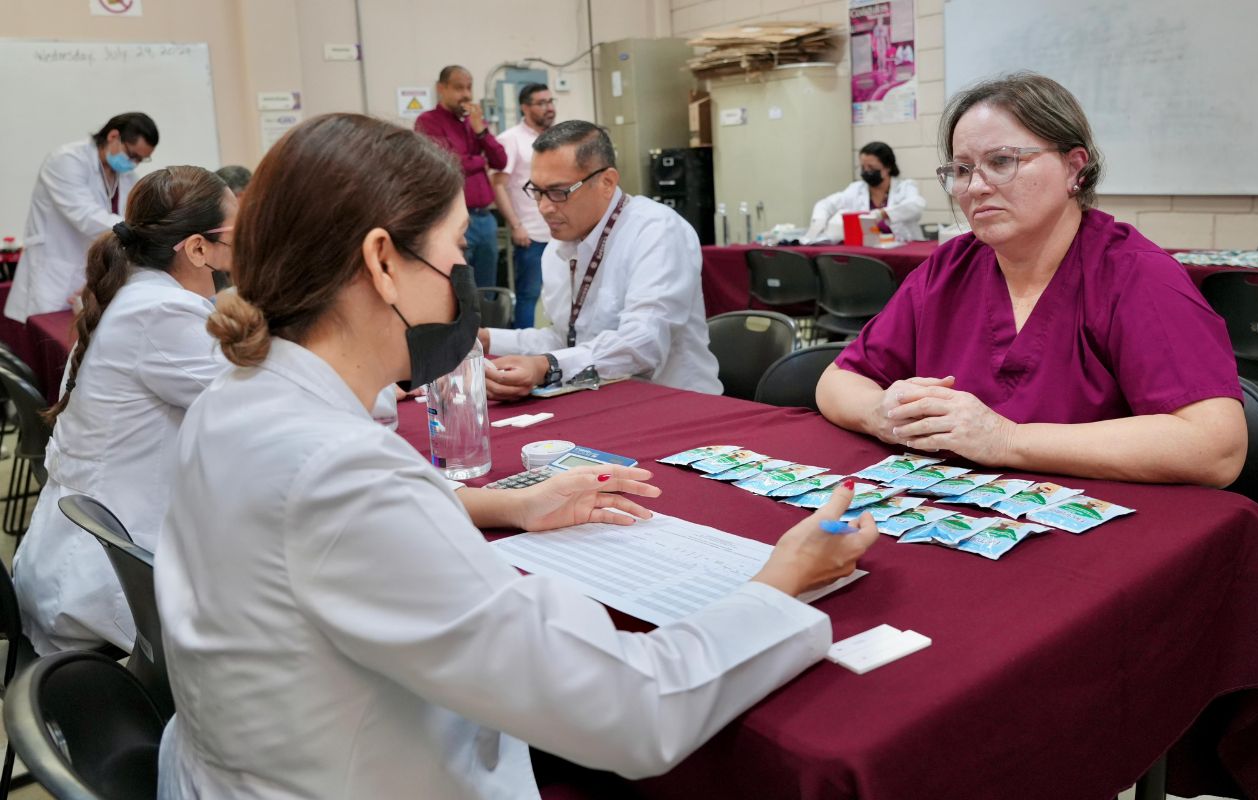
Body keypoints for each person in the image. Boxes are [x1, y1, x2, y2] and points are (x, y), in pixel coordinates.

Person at [153, 112, 876, 799]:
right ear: (381, 262)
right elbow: (635, 710)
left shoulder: (238, 399)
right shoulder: (341, 469)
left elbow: (321, 528)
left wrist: (511, 503)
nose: (463, 276)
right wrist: (778, 583)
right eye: (456, 251)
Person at [816, 73, 1246, 488]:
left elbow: (1215, 447)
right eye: (962, 170)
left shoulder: (1136, 276)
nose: (977, 187)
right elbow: (836, 380)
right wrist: (879, 412)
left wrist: (1006, 439)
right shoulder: (946, 270)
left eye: (1002, 161)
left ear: (1074, 168)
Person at [13, 166, 234, 655]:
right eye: (236, 235)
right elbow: (265, 401)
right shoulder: (160, 312)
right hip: (102, 590)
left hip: (86, 559)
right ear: (197, 249)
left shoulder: (139, 296)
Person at [481, 121, 723, 399]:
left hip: (678, 404)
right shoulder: (558, 246)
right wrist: (488, 339)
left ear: (607, 183)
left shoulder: (657, 231)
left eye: (559, 192)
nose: (545, 208)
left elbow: (644, 343)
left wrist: (547, 365)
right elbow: (566, 339)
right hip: (599, 397)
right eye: (537, 191)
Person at [5, 112, 159, 322]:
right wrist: (140, 230)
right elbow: (86, 217)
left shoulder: (127, 176)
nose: (134, 164)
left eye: (141, 159)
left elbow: (133, 216)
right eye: (132, 155)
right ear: (113, 136)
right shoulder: (66, 160)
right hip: (54, 272)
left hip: (90, 275)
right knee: (50, 335)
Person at [415, 65, 507, 288]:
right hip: (453, 219)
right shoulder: (428, 121)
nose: (466, 95)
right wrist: (480, 160)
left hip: (485, 219)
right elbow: (447, 163)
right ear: (441, 89)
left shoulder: (473, 122)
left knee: (487, 289)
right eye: (458, 88)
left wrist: (481, 132)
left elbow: (501, 161)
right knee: (459, 289)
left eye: (469, 88)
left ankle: (486, 324)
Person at [492, 82, 557, 328]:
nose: (549, 108)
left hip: (561, 232)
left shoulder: (556, 138)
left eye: (550, 102)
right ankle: (525, 351)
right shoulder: (511, 140)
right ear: (525, 107)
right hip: (531, 234)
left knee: (564, 295)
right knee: (529, 295)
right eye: (541, 103)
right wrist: (516, 225)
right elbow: (498, 185)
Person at [803, 141, 926, 244]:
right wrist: (818, 225)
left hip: (904, 247)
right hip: (868, 252)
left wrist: (882, 214)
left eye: (871, 168)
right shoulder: (856, 189)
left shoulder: (905, 187)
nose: (866, 172)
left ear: (888, 167)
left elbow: (916, 205)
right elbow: (825, 204)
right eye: (863, 167)